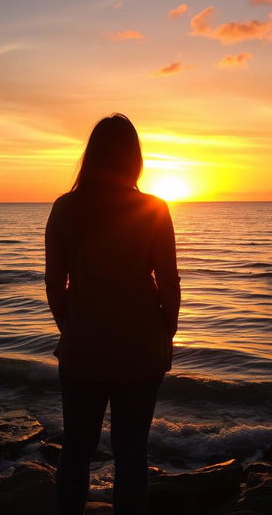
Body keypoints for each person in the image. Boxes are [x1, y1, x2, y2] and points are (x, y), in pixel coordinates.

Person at [45, 113, 181, 515]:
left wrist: (70, 327)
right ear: (133, 159)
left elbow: (55, 284)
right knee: (132, 453)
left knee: (76, 448)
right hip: (141, 348)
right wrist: (166, 332)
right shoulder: (153, 208)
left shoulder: (66, 208)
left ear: (92, 156)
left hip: (83, 347)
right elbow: (169, 281)